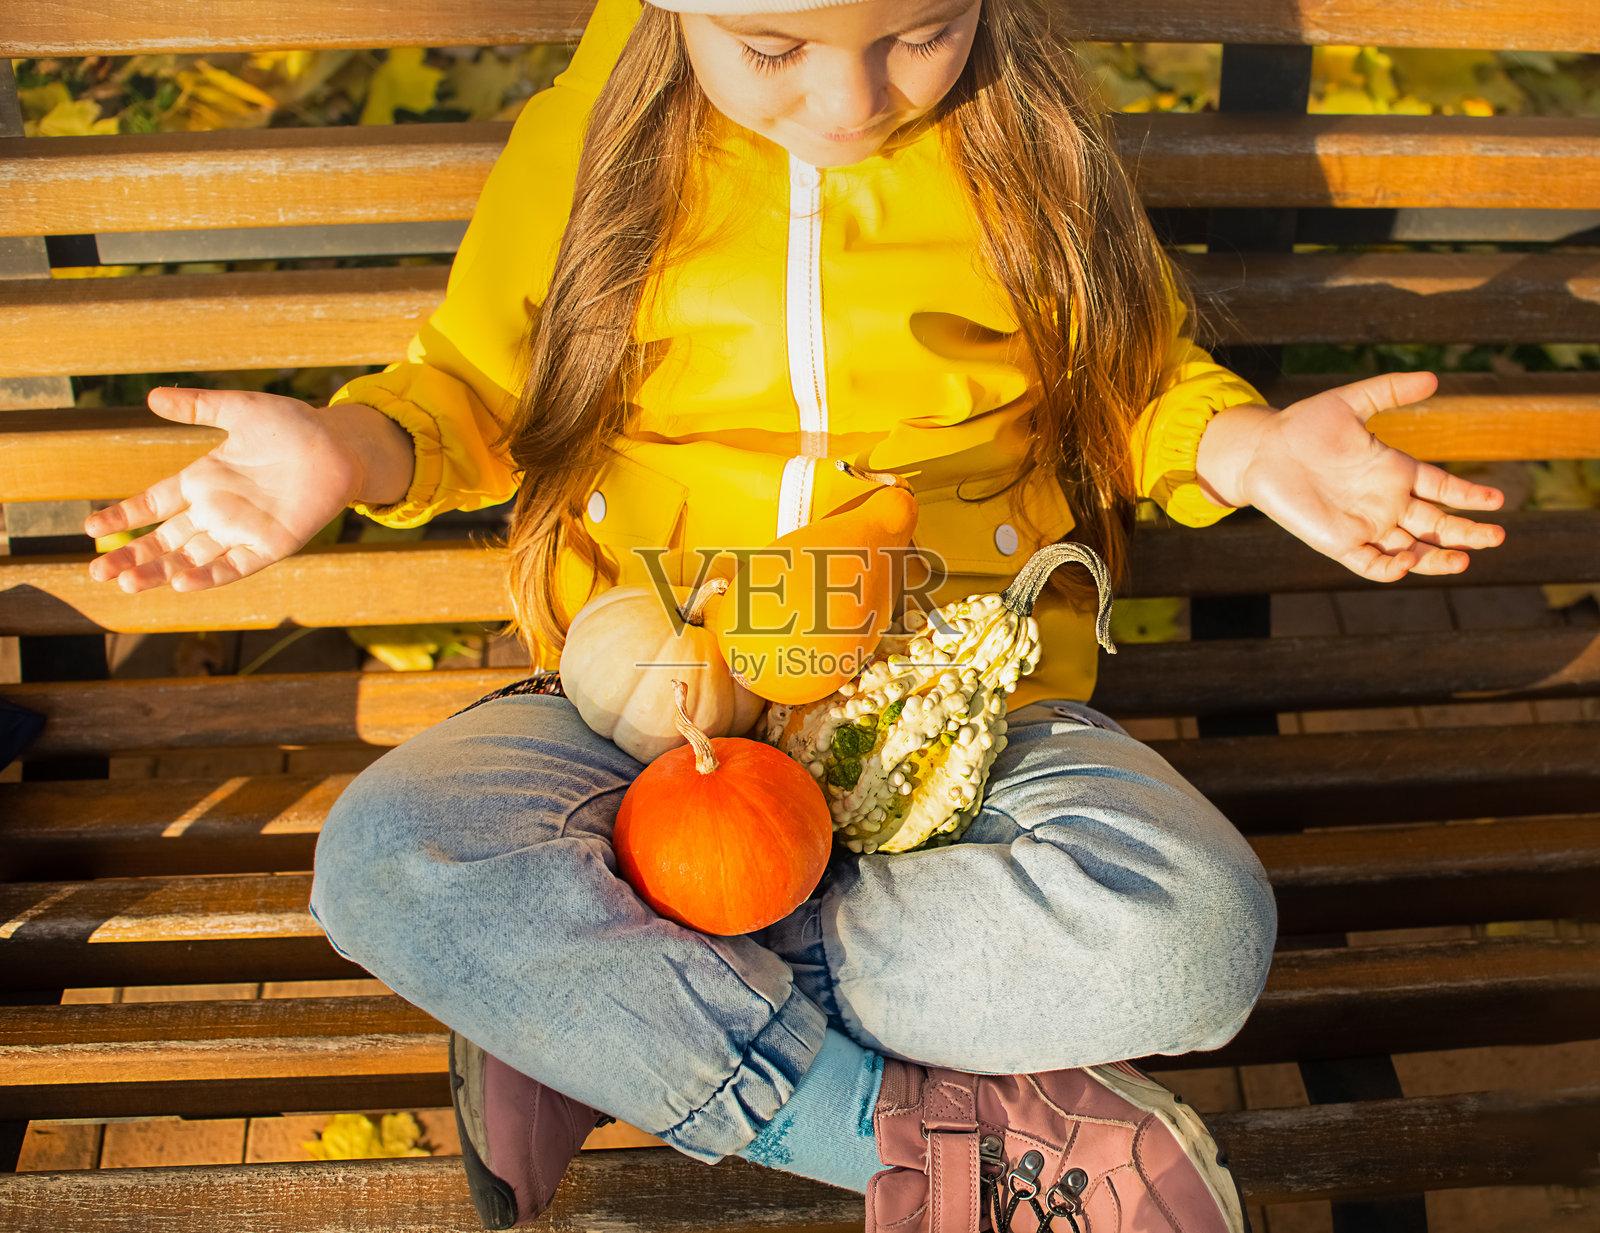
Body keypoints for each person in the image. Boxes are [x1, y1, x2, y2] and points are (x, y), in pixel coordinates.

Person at [84, 0, 1506, 1228]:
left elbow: (1132, 389)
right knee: (385, 858)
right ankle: (903, 1133)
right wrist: (352, 449)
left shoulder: (1030, 147)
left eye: (922, 33)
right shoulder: (585, 153)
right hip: (637, 721)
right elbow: (469, 390)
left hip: (973, 728)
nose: (850, 99)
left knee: (1197, 941)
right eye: (772, 45)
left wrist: (1253, 453)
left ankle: (593, 1016)